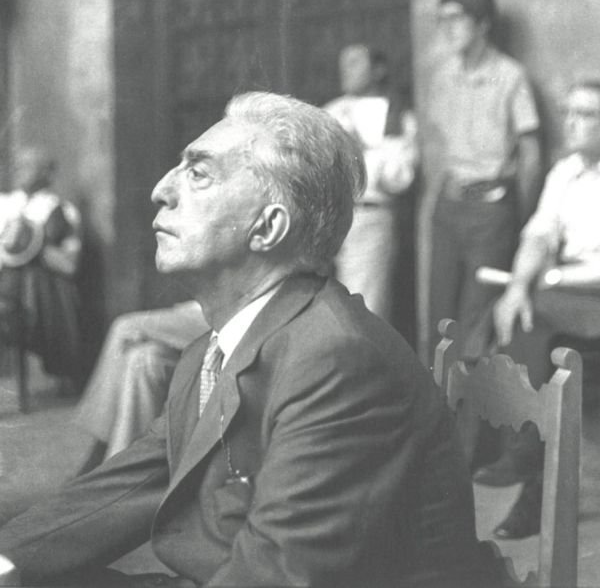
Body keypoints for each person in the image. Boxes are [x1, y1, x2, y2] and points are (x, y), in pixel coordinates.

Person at [0, 92, 501, 588]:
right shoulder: (215, 347)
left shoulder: (336, 358)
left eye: (198, 173)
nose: (161, 189)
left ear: (267, 227)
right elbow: (128, 486)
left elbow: (276, 576)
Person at [475, 80, 600, 539]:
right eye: (568, 112)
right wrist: (518, 287)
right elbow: (538, 234)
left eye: (585, 114)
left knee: (537, 317)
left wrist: (548, 281)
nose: (570, 121)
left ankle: (525, 455)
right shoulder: (565, 171)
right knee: (529, 324)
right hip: (572, 300)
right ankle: (533, 487)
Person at [427, 0, 542, 360]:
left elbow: (531, 154)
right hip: (449, 208)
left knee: (476, 323)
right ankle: (436, 414)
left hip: (492, 212)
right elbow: (437, 148)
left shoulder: (511, 77)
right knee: (439, 317)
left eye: (457, 20)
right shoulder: (443, 76)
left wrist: (520, 218)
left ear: (483, 24)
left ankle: (470, 418)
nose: (448, 29)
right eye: (442, 20)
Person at [324, 44, 418, 321]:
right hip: (329, 217)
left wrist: (359, 151)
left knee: (364, 308)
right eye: (344, 62)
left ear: (378, 70)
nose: (345, 69)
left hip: (370, 217)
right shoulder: (330, 112)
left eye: (354, 62)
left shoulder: (397, 115)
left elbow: (398, 178)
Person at [74, 300, 208, 473]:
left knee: (124, 326)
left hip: (232, 311)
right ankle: (118, 467)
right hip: (201, 307)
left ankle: (101, 448)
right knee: (143, 358)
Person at [0, 146, 83, 387]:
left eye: (28, 165)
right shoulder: (4, 204)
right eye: (18, 164)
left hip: (34, 291)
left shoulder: (59, 210)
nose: (18, 169)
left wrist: (33, 243)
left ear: (46, 173)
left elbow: (69, 266)